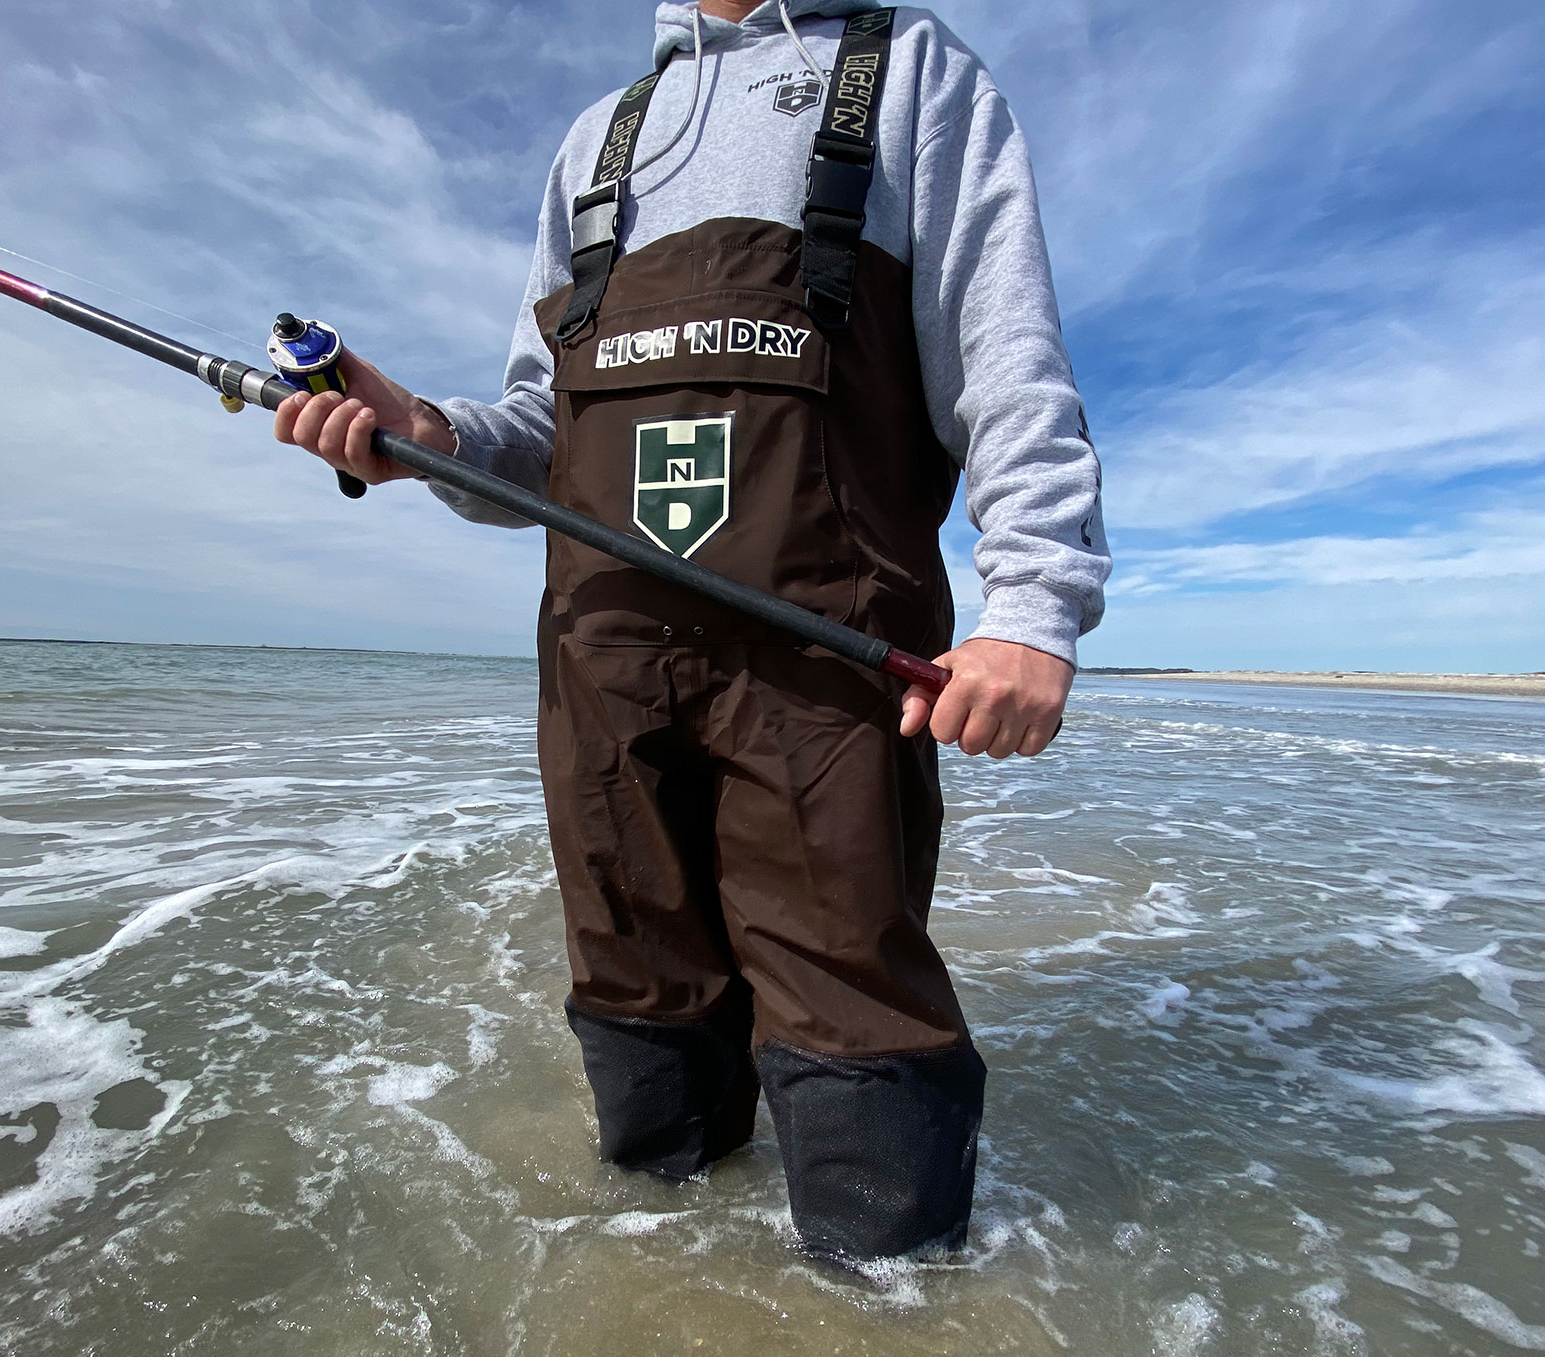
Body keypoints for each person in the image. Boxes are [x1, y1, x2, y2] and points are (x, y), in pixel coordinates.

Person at [274, 0, 1109, 1260]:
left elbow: (1004, 365)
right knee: (639, 1036)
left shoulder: (912, 72)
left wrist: (1034, 604)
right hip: (599, 670)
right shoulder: (596, 141)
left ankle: (899, 1351)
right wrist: (426, 438)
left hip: (821, 668)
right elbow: (536, 431)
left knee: (855, 1033)